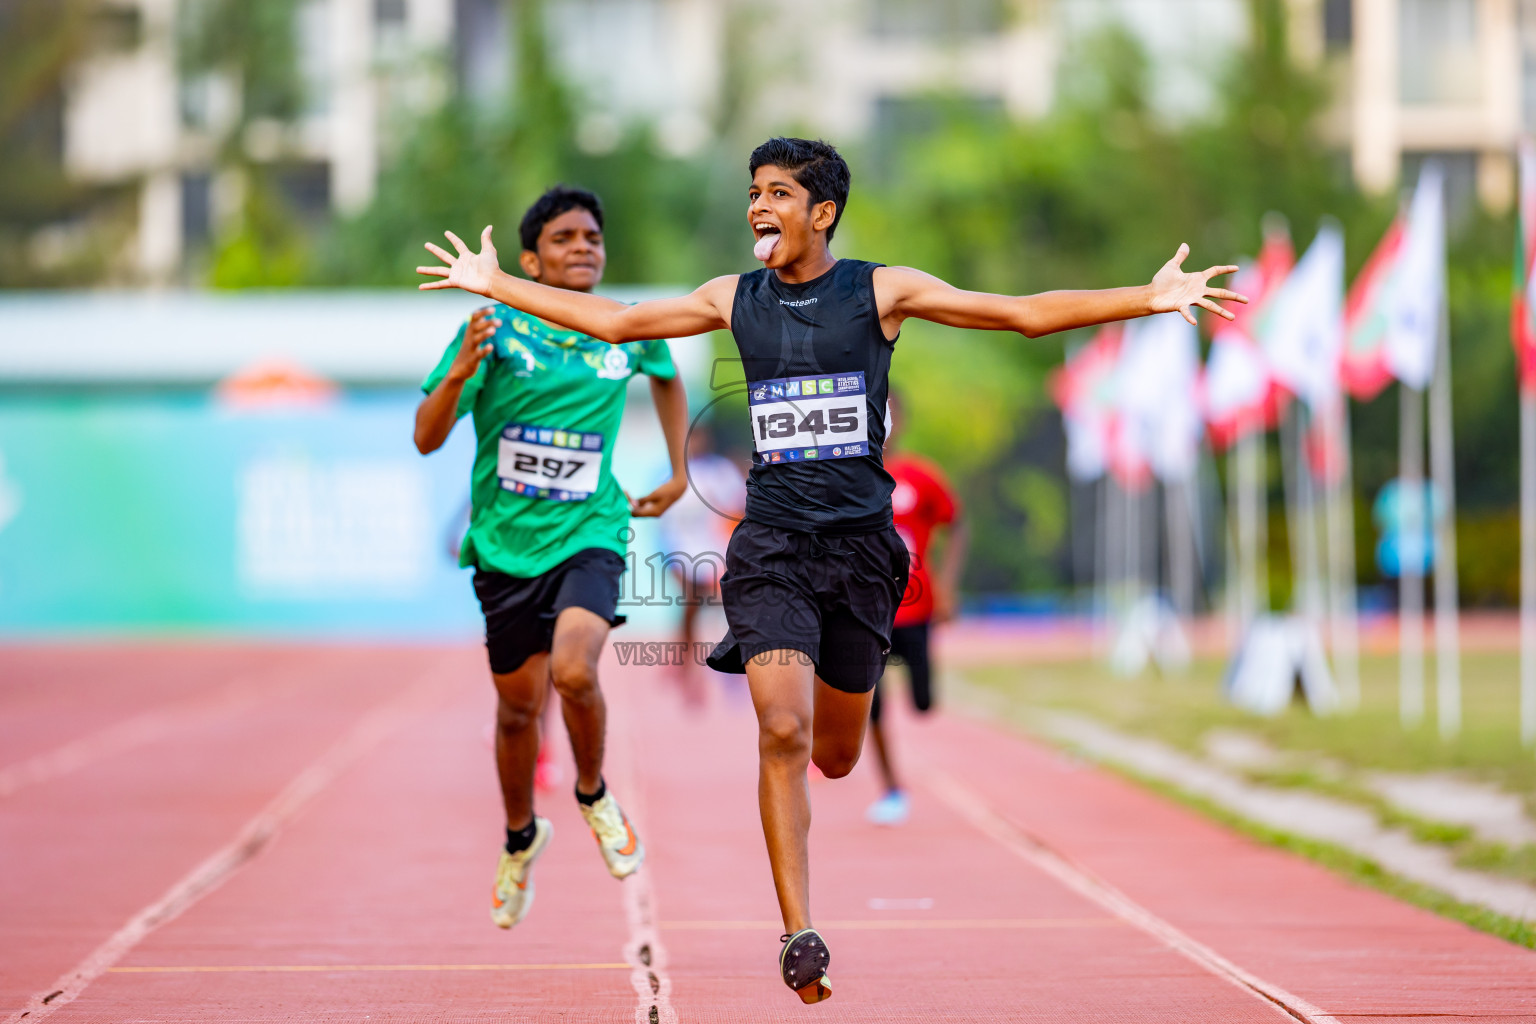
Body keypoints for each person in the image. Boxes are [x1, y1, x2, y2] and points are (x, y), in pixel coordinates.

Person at [417, 137, 1244, 1001]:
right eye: (752, 193)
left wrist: (1150, 297)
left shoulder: (881, 291)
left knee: (838, 756)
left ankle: (829, 763)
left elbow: (1021, 313)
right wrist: (496, 284)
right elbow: (623, 324)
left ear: (824, 212)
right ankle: (799, 932)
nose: (757, 208)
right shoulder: (731, 298)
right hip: (771, 548)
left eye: (778, 193)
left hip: (860, 553)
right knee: (780, 730)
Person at [413, 185, 688, 931]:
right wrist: (466, 369)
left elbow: (667, 376)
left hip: (593, 531)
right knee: (516, 711)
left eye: (593, 237)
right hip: (505, 544)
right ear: (530, 260)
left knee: (574, 669)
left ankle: (594, 793)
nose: (584, 248)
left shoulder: (626, 328)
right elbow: (426, 436)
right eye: (565, 238)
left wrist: (678, 468)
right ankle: (518, 837)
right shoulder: (493, 327)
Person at [864, 389, 966, 827]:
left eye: (891, 414)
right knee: (871, 707)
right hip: (865, 617)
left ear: (900, 421)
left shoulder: (920, 477)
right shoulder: (848, 477)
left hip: (917, 610)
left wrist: (948, 585)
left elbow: (956, 524)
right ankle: (891, 788)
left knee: (923, 704)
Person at [657, 420, 746, 706]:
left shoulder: (720, 471)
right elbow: (665, 524)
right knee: (690, 616)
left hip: (717, 556)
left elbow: (737, 510)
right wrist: (671, 561)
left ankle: (731, 672)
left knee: (731, 615)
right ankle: (688, 673)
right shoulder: (671, 476)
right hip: (686, 559)